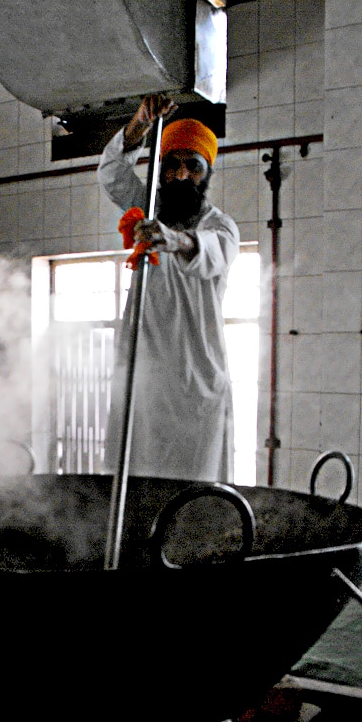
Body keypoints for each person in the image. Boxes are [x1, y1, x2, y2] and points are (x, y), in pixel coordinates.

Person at [97, 93, 239, 482]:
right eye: (171, 165)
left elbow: (210, 250)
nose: (180, 176)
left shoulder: (220, 226)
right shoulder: (148, 207)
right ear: (159, 170)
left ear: (206, 172)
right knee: (134, 487)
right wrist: (139, 124)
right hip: (144, 384)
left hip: (197, 387)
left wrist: (172, 240)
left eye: (192, 166)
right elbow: (111, 171)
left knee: (195, 501)